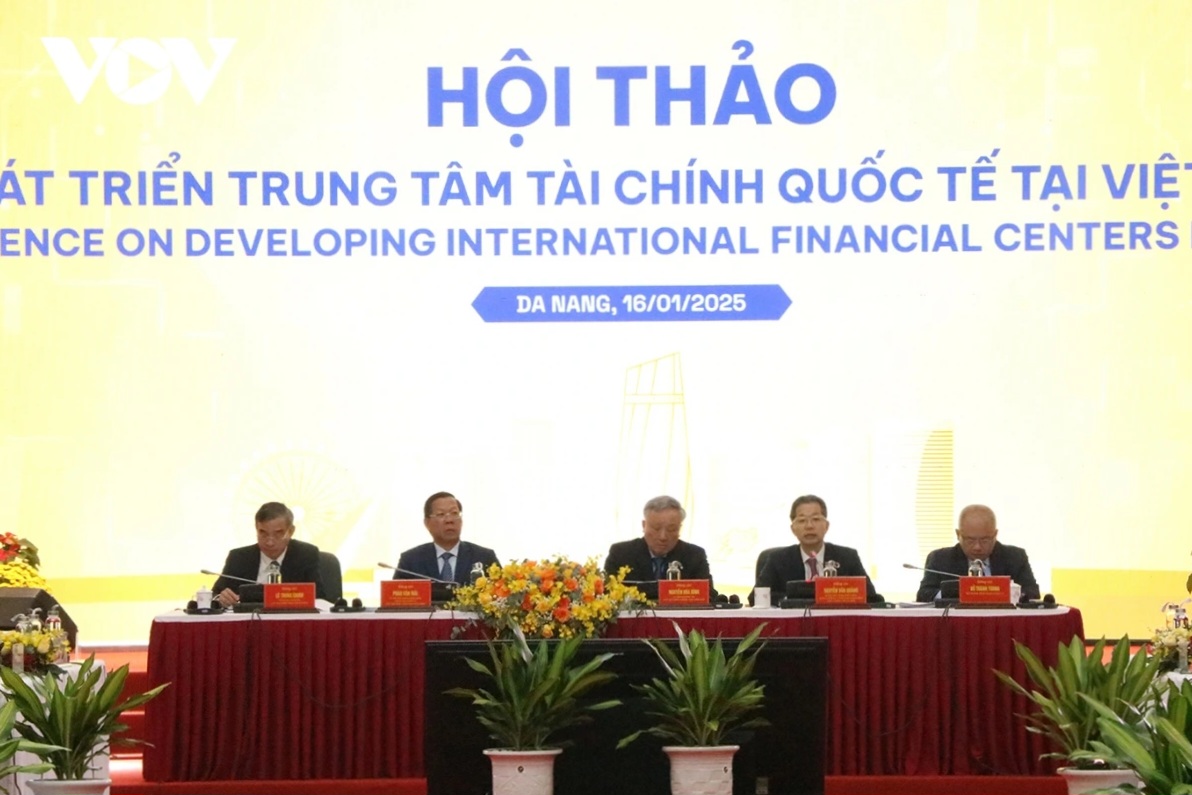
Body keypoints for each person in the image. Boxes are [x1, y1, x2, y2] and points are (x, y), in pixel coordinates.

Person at [755, 494, 879, 601]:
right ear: (793, 529)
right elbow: (755, 597)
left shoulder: (847, 557)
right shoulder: (778, 559)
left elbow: (872, 596)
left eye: (815, 519)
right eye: (802, 520)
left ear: (826, 526)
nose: (809, 526)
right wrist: (792, 600)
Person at [915, 503, 1040, 602]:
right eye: (970, 540)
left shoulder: (1015, 557)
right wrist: (958, 592)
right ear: (958, 535)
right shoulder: (940, 559)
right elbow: (924, 594)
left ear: (995, 535)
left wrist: (1008, 593)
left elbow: (1032, 592)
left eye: (985, 540)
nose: (977, 547)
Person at [212, 501, 327, 607]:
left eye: (278, 533)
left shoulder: (305, 555)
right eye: (263, 533)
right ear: (256, 529)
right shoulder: (239, 558)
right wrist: (221, 598)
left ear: (291, 531)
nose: (269, 542)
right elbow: (215, 595)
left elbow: (318, 596)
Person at [604, 495, 712, 586]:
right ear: (644, 525)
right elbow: (606, 594)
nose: (663, 537)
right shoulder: (620, 554)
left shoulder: (694, 556)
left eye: (671, 529)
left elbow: (709, 596)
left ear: (679, 528)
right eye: (656, 528)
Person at [394, 491, 499, 584]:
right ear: (427, 523)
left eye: (454, 513)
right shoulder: (410, 561)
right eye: (441, 514)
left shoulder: (484, 557)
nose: (449, 520)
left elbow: (502, 595)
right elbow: (395, 598)